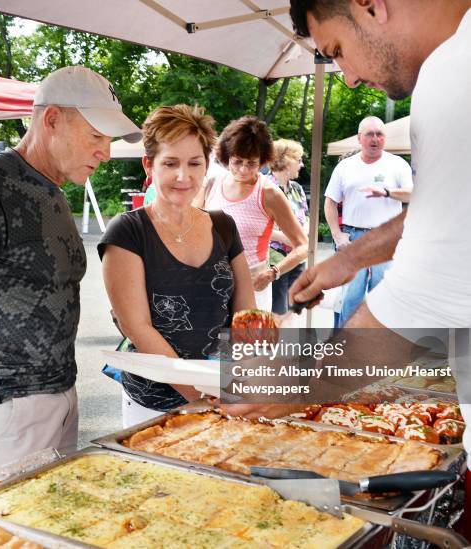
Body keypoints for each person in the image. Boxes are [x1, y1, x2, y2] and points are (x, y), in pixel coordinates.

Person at [0, 66, 142, 505]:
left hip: (59, 397)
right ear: (51, 120)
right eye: (96, 135)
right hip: (4, 413)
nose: (106, 152)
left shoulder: (52, 188)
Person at [288, 0, 471, 536]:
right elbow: (440, 210)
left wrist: (295, 384)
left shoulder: (453, 68)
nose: (346, 77)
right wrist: (346, 259)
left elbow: (428, 290)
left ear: (370, 5)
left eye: (337, 51)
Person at [99, 105, 256, 427]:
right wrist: (201, 397)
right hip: (154, 405)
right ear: (149, 165)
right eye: (170, 163)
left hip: (225, 396)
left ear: (206, 166)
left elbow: (246, 316)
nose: (183, 176)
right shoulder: (127, 231)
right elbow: (138, 328)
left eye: (194, 163)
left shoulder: (223, 225)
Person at [195, 116, 308, 311]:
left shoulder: (269, 193)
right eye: (237, 161)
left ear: (263, 161)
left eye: (252, 163)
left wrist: (274, 272)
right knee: (216, 342)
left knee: (247, 342)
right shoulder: (211, 184)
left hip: (253, 288)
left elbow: (303, 245)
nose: (243, 169)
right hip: (211, 286)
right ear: (226, 156)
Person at [324, 116, 413, 326]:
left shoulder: (397, 164)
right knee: (349, 299)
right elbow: (329, 202)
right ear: (359, 138)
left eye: (380, 134)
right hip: (353, 238)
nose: (375, 139)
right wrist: (337, 235)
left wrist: (387, 192)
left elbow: (412, 195)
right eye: (370, 134)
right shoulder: (346, 166)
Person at [267, 139, 309, 314]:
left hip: (298, 258)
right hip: (275, 260)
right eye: (298, 160)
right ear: (286, 160)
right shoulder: (264, 187)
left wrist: (302, 238)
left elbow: (306, 218)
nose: (302, 164)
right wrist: (288, 238)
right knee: (278, 310)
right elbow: (256, 227)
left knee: (295, 308)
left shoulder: (297, 189)